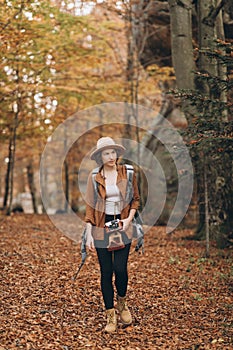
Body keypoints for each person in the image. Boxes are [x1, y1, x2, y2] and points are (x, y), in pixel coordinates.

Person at [84, 136, 140, 333]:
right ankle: (110, 316)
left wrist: (129, 219)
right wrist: (89, 234)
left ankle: (122, 304)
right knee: (106, 272)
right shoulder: (95, 177)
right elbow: (90, 208)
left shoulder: (128, 173)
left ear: (117, 154)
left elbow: (135, 200)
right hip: (101, 227)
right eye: (106, 153)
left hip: (122, 225)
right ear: (100, 156)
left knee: (121, 269)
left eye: (113, 152)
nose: (110, 156)